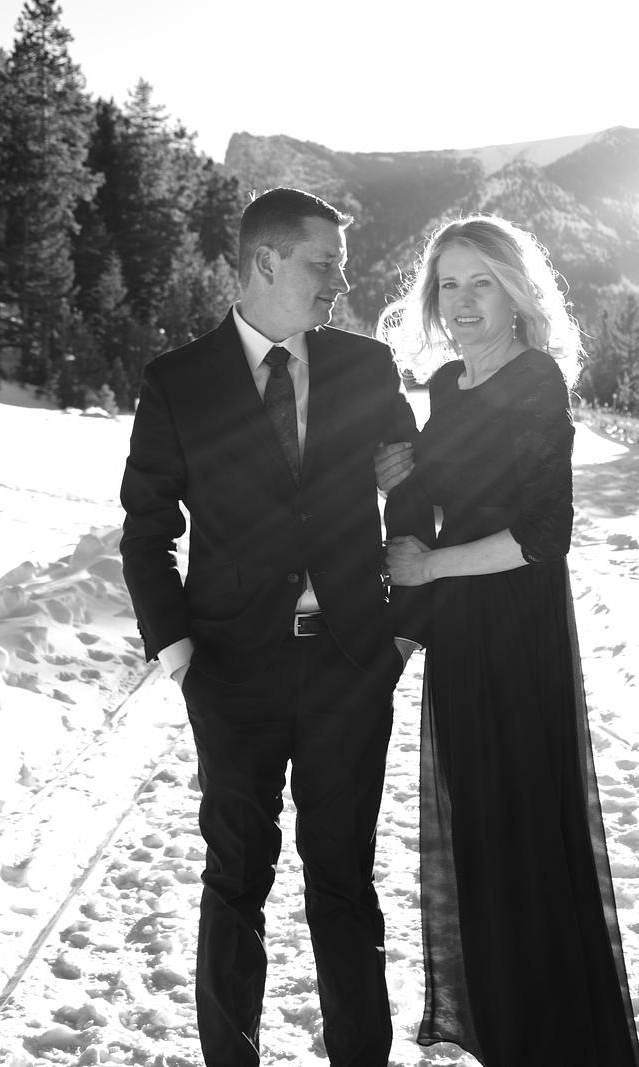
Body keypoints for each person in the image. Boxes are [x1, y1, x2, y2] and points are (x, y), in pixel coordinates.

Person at [120, 187, 433, 1067]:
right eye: (323, 263)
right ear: (265, 261)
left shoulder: (366, 367)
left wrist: (402, 633)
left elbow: (414, 495)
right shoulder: (178, 381)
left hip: (351, 663)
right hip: (230, 672)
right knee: (234, 879)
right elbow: (146, 528)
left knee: (344, 881)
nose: (340, 281)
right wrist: (181, 655)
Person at [376, 215, 639, 1066]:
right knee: (480, 840)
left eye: (481, 282)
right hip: (461, 631)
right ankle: (507, 1037)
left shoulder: (535, 379)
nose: (463, 301)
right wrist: (400, 476)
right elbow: (448, 488)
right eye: (448, 284)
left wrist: (429, 566)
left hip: (518, 628)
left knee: (524, 835)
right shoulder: (447, 384)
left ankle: (553, 1043)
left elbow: (543, 533)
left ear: (517, 293)